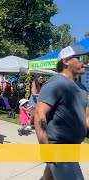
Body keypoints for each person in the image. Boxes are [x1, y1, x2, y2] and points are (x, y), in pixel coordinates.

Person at [34, 45, 89, 180]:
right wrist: (45, 147)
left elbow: (86, 118)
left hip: (74, 145)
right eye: (81, 58)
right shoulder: (56, 83)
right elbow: (39, 114)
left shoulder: (81, 88)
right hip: (60, 147)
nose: (86, 63)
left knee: (48, 177)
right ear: (65, 61)